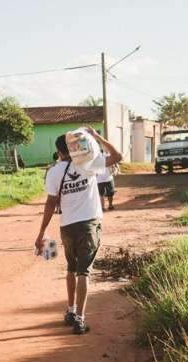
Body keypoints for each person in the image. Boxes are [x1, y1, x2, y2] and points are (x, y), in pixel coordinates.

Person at [34, 127, 122, 334]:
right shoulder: (87, 163)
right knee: (84, 272)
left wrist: (41, 233)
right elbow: (118, 156)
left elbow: (50, 204)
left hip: (67, 226)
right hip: (89, 225)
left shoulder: (53, 172)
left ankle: (71, 310)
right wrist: (96, 136)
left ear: (59, 152)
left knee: (71, 269)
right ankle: (80, 320)